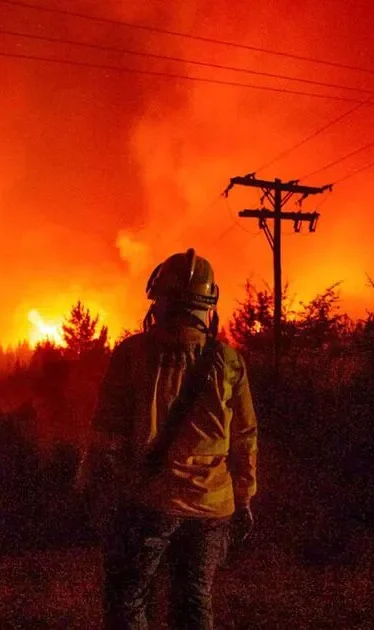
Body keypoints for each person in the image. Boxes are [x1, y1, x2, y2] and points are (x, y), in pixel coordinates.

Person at [81, 248, 258, 630]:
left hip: (149, 502)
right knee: (193, 601)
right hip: (213, 508)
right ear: (209, 304)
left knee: (128, 598)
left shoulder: (131, 355)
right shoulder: (229, 361)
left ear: (158, 300)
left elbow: (106, 432)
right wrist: (243, 498)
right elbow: (244, 437)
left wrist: (92, 486)